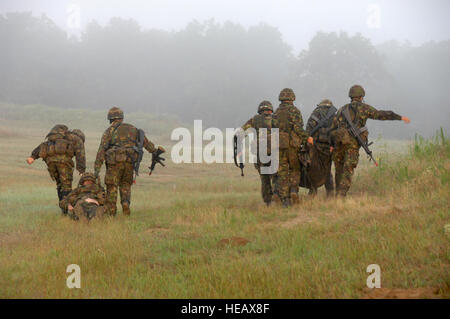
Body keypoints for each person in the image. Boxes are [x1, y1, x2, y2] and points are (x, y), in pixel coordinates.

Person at [329, 85, 410, 197]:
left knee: (339, 169)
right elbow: (381, 115)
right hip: (352, 144)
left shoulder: (341, 110)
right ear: (361, 96)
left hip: (339, 144)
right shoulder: (364, 108)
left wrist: (331, 145)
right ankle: (341, 195)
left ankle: (338, 193)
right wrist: (399, 117)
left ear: (351, 96)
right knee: (348, 168)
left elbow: (332, 128)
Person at [94, 107, 164, 216]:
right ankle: (125, 203)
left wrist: (97, 169)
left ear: (110, 118)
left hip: (114, 163)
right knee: (125, 184)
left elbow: (101, 150)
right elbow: (146, 143)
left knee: (112, 186)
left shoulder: (109, 131)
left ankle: (111, 212)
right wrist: (154, 151)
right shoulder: (133, 129)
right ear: (121, 117)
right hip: (129, 162)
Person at [27, 124, 86, 214]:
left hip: (50, 162)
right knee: (66, 186)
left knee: (60, 185)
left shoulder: (58, 137)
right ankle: (67, 210)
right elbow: (80, 155)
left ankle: (63, 209)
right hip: (63, 162)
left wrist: (33, 156)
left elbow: (44, 145)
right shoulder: (77, 139)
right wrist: (81, 171)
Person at [273, 88, 313, 207]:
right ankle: (294, 190)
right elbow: (298, 129)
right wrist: (308, 138)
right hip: (293, 146)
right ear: (292, 98)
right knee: (295, 169)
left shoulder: (276, 112)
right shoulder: (295, 111)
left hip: (279, 145)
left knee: (282, 172)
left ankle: (285, 200)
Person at [239, 100, 278, 206]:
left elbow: (241, 133)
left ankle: (268, 202)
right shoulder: (277, 118)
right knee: (276, 176)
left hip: (261, 155)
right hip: (276, 154)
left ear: (260, 110)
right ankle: (278, 198)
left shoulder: (254, 120)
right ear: (271, 109)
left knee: (265, 179)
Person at [302, 99, 337, 197]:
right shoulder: (334, 116)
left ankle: (313, 191)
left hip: (315, 146)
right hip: (328, 147)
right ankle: (330, 193)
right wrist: (333, 146)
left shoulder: (316, 112)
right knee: (327, 170)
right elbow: (336, 131)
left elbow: (308, 129)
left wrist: (309, 141)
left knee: (314, 169)